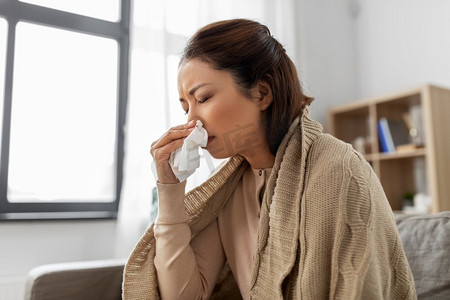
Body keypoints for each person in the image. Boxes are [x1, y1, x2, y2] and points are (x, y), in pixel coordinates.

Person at [123, 19, 416, 299]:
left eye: (203, 99)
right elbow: (182, 296)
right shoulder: (227, 191)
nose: (191, 122)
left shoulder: (339, 169)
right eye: (185, 107)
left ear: (262, 93)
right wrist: (170, 189)